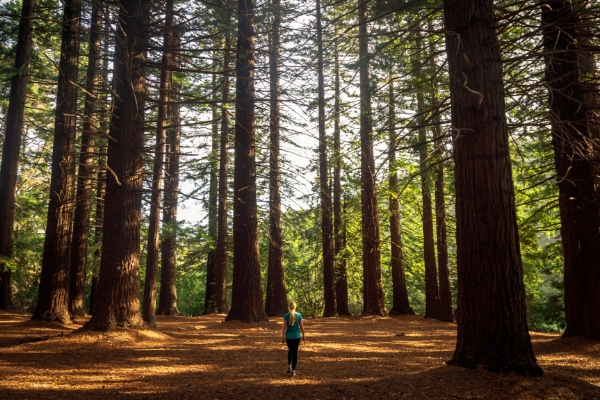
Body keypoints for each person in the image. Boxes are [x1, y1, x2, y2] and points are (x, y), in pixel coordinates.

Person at [281, 301, 305, 377]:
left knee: (290, 351)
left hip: (288, 337)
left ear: (289, 307)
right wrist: (304, 336)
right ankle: (293, 370)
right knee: (295, 353)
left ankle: (289, 366)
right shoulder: (299, 315)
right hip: (296, 336)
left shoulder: (286, 315)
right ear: (295, 307)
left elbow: (284, 328)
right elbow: (301, 327)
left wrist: (283, 337)